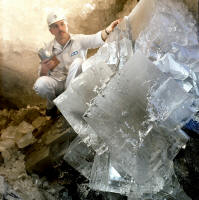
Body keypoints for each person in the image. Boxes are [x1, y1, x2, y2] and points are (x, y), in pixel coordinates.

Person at [33, 11, 121, 117]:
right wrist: (44, 68)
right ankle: (52, 105)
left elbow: (96, 39)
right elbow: (42, 76)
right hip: (58, 84)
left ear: (66, 25)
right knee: (40, 84)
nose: (60, 29)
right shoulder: (48, 49)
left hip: (75, 83)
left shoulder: (78, 40)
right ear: (51, 31)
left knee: (78, 62)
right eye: (56, 26)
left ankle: (67, 101)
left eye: (62, 24)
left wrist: (108, 30)